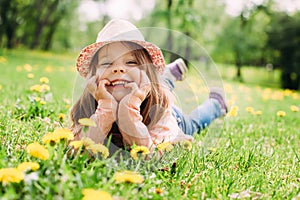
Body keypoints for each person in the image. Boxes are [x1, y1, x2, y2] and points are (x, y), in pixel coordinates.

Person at [70, 19, 227, 153]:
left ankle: (216, 104)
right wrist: (105, 107)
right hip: (146, 86)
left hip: (172, 115)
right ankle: (168, 75)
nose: (118, 69)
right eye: (106, 63)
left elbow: (147, 153)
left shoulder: (161, 112)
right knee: (155, 83)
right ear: (93, 75)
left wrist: (128, 108)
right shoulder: (87, 106)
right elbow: (80, 151)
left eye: (131, 62)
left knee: (194, 122)